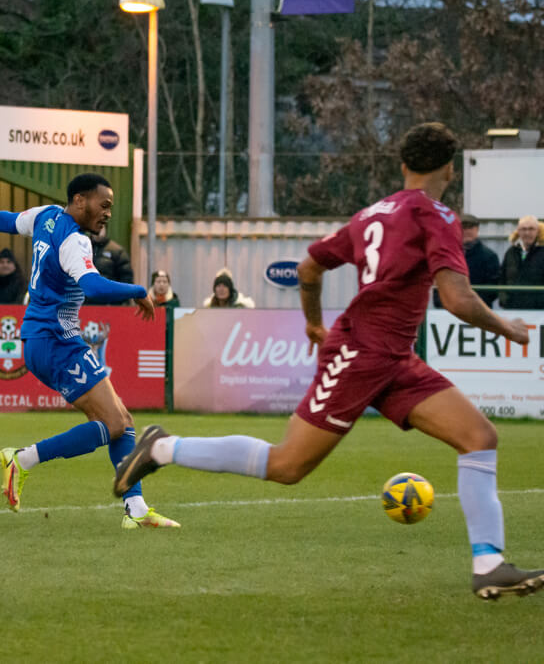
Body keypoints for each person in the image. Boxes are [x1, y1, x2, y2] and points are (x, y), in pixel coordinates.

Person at [114, 122, 544, 599]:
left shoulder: (370, 216)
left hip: (393, 358)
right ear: (450, 170)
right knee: (286, 466)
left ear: (403, 166)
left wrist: (314, 323)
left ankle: (489, 564)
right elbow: (459, 300)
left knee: (479, 437)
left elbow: (309, 268)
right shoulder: (437, 216)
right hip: (363, 355)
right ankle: (162, 449)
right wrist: (507, 327)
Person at [0, 173, 179, 529]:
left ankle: (135, 509)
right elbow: (91, 285)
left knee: (121, 423)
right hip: (55, 340)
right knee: (114, 424)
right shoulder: (75, 241)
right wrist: (140, 289)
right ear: (80, 201)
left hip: (47, 339)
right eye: (103, 205)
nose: (107, 213)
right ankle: (23, 459)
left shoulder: (46, 215)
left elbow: (9, 220)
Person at [433, 216, 500, 308]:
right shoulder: (448, 254)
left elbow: (493, 287)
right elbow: (440, 281)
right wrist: (441, 304)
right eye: (463, 227)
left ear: (477, 229)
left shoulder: (489, 256)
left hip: (479, 311)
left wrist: (472, 304)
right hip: (449, 311)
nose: (467, 231)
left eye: (471, 227)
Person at [499, 214, 544, 310]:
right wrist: (504, 300)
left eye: (531, 229)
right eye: (523, 229)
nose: (527, 232)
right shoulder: (511, 252)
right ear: (518, 231)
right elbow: (502, 278)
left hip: (538, 312)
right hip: (513, 309)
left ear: (538, 231)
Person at [84, 226, 134, 305]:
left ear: (106, 230)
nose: (98, 231)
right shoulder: (82, 249)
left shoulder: (117, 251)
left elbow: (126, 279)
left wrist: (116, 301)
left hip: (109, 306)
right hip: (85, 305)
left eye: (101, 228)